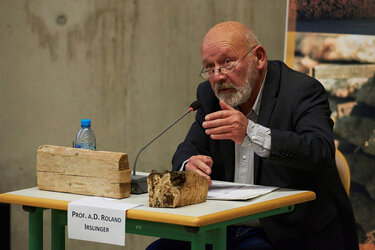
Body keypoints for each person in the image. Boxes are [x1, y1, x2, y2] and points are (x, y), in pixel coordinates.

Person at [147, 21, 358, 250]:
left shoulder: (301, 91)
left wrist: (250, 132)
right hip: (222, 226)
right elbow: (187, 149)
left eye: (227, 62)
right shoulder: (210, 96)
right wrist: (190, 165)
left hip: (285, 231)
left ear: (259, 58)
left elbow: (320, 151)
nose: (217, 76)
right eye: (209, 67)